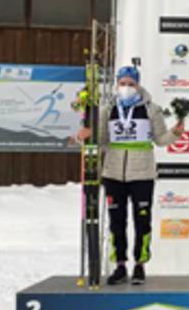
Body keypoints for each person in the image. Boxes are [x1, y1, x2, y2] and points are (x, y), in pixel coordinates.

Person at [78, 65, 183, 285]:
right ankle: (120, 265)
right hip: (114, 172)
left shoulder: (151, 109)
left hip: (142, 173)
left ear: (138, 84)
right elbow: (100, 139)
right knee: (117, 221)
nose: (126, 87)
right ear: (116, 84)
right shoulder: (108, 109)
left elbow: (160, 139)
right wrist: (85, 135)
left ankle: (140, 265)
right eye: (122, 83)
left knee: (142, 221)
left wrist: (175, 133)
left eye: (131, 84)